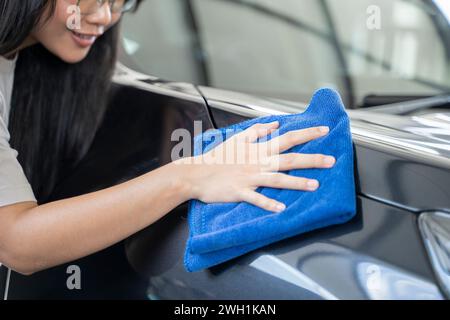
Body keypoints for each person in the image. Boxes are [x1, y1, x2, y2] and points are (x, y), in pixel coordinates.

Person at [0, 0, 335, 275]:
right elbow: (17, 244)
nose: (105, 17)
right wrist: (190, 176)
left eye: (120, 2)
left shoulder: (27, 63)